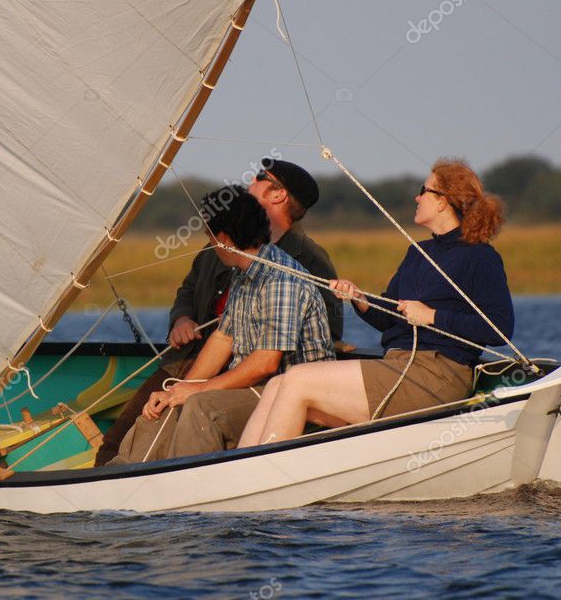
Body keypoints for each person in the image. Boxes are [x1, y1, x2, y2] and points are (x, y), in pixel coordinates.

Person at [239, 158, 514, 447]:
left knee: (296, 379)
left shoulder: (480, 257)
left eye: (425, 190)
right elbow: (389, 316)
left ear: (444, 201)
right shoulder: (418, 252)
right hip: (397, 365)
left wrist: (432, 316)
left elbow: (499, 329)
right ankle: (237, 473)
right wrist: (359, 298)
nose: (417, 197)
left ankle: (256, 472)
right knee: (278, 384)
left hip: (436, 375)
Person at [93, 159, 344, 465]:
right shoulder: (243, 271)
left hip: (288, 393)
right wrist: (180, 389)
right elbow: (223, 339)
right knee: (166, 402)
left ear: (223, 238)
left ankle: (186, 490)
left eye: (210, 236)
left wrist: (196, 392)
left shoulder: (281, 279)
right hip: (257, 386)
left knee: (202, 408)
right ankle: (122, 476)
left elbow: (266, 363)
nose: (209, 243)